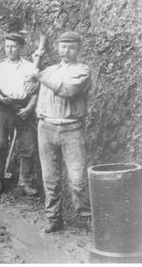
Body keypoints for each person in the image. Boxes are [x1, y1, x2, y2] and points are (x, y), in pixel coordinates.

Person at [27, 31, 92, 233]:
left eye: (71, 47)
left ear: (78, 50)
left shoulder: (82, 70)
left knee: (77, 179)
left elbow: (67, 90)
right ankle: (54, 219)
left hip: (72, 129)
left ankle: (85, 218)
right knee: (50, 179)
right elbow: (29, 88)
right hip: (46, 128)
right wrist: (33, 71)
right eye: (63, 46)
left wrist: (39, 74)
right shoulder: (49, 69)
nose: (66, 50)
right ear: (57, 47)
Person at [0, 32, 40, 196]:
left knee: (29, 146)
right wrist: (2, 98)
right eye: (7, 46)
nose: (9, 50)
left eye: (13, 46)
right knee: (0, 144)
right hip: (5, 109)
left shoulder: (30, 67)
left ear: (21, 47)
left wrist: (29, 108)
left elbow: (35, 92)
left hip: (24, 109)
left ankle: (26, 182)